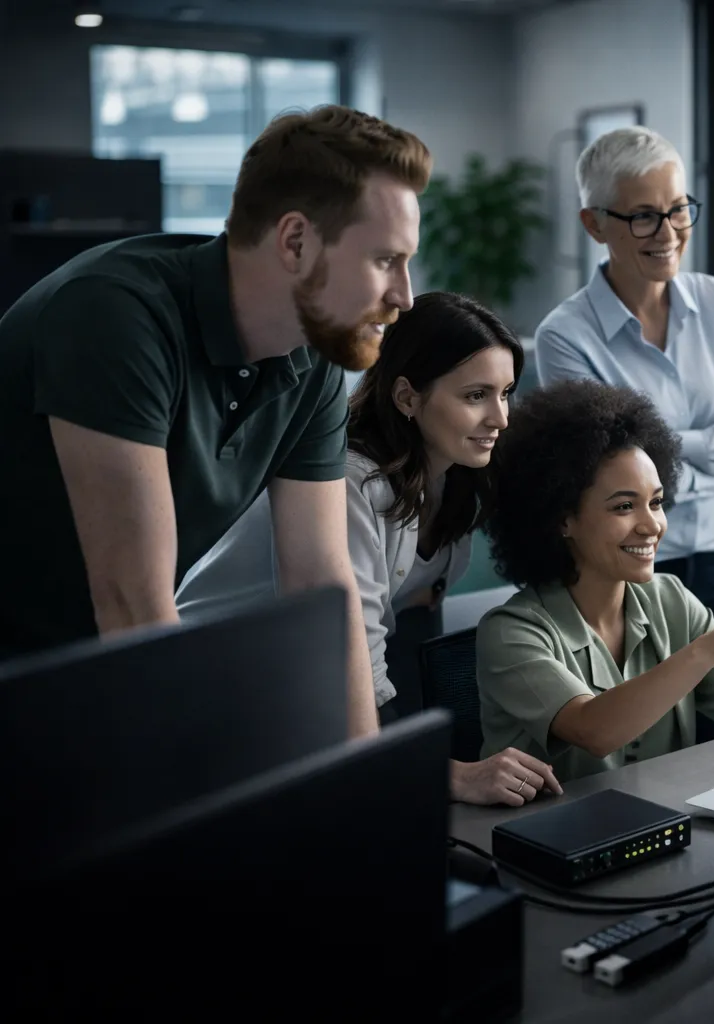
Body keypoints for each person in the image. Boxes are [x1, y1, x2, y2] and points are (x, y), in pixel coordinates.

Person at [0, 105, 430, 738]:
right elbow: (133, 608)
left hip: (86, 674)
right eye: (385, 261)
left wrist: (369, 777)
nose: (405, 296)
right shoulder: (115, 315)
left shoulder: (310, 359)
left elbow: (321, 585)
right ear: (295, 241)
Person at [176, 292, 563, 808]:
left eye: (506, 392)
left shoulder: (459, 476)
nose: (501, 417)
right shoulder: (349, 484)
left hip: (300, 685)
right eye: (476, 396)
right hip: (214, 698)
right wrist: (449, 775)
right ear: (406, 397)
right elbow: (354, 651)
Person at [534, 126, 714, 639]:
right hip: (628, 570)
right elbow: (606, 484)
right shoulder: (564, 337)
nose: (669, 232)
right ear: (595, 224)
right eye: (644, 216)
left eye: (678, 209)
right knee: (657, 718)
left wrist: (659, 447)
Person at [476, 379, 714, 783]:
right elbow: (592, 730)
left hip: (664, 822)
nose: (652, 526)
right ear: (562, 519)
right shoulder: (510, 633)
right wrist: (701, 653)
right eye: (624, 506)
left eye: (656, 502)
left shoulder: (670, 599)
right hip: (551, 836)